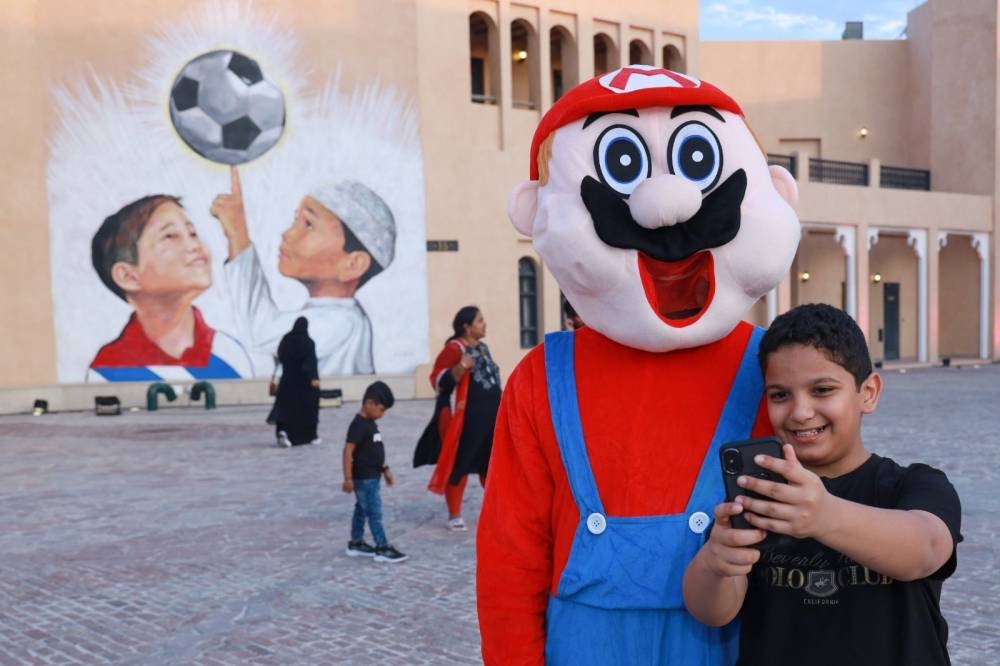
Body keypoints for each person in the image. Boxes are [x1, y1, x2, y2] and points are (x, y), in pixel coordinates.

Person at [477, 66, 801, 665]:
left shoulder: (778, 370)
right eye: (622, 165)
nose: (666, 208)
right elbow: (510, 553)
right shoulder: (542, 379)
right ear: (537, 212)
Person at [682, 303, 962, 666]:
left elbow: (926, 549)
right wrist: (717, 563)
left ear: (869, 392)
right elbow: (712, 612)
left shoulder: (913, 485)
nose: (800, 412)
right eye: (780, 395)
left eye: (822, 390)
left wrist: (824, 515)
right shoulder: (758, 497)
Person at [211, 166, 395, 376]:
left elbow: (260, 332)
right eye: (294, 220)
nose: (287, 234)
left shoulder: (341, 323)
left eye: (308, 225)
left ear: (353, 265)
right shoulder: (334, 317)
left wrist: (238, 233)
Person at [89, 194, 253, 381]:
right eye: (170, 236)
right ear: (128, 276)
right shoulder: (106, 371)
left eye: (192, 233)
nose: (194, 246)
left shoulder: (230, 354)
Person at [413, 306, 501, 531]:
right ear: (467, 326)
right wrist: (461, 366)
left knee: (489, 465)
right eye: (480, 321)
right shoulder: (454, 349)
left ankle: (499, 509)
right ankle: (454, 514)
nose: (485, 324)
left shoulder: (483, 348)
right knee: (459, 464)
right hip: (465, 420)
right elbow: (438, 381)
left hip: (489, 419)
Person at [342, 381, 408, 563]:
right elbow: (348, 451)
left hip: (373, 475)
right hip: (364, 478)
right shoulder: (358, 424)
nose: (383, 414)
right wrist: (348, 478)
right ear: (369, 403)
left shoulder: (370, 423)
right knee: (374, 512)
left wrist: (385, 469)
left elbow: (374, 451)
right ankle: (381, 546)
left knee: (361, 510)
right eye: (381, 409)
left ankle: (356, 542)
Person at [269, 317, 321, 447]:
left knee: (286, 409)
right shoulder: (308, 342)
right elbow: (310, 363)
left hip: (287, 381)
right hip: (303, 383)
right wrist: (313, 378)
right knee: (305, 410)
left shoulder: (286, 339)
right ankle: (306, 437)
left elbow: (280, 356)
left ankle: (283, 432)